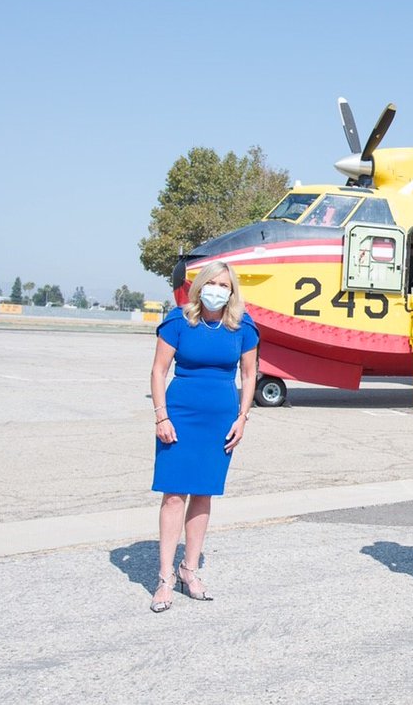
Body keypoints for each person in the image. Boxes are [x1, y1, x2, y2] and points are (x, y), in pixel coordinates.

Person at [148, 261, 259, 612]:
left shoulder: (243, 326)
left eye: (224, 285)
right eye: (212, 283)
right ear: (199, 286)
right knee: (173, 496)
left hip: (220, 419)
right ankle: (165, 577)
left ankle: (189, 569)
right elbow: (158, 370)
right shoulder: (179, 321)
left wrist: (242, 418)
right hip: (180, 415)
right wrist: (162, 416)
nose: (217, 290)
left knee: (203, 494)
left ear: (232, 291)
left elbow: (249, 373)